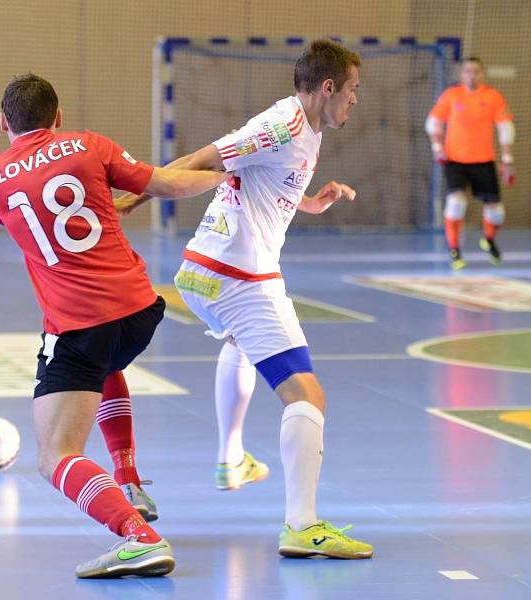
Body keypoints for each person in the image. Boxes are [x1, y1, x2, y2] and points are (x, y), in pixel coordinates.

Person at [116, 40, 374, 560]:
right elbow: (201, 160)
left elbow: (260, 178)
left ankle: (231, 458)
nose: (354, 101)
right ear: (328, 88)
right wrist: (130, 199)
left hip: (210, 272)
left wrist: (308, 201)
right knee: (307, 395)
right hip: (239, 276)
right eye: (352, 91)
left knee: (240, 343)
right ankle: (302, 526)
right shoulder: (280, 127)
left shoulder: (304, 129)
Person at [0, 73, 227, 578]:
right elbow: (167, 184)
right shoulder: (90, 145)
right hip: (138, 312)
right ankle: (127, 476)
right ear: (59, 116)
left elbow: (26, 219)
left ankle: (139, 537)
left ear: (2, 122)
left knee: (54, 456)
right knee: (106, 363)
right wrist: (231, 175)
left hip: (77, 326)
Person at [426, 56, 516, 270]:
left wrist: (507, 160)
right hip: (454, 160)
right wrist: (437, 147)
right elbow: (433, 123)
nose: (471, 75)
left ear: (482, 74)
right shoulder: (451, 95)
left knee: (496, 211)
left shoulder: (493, 97)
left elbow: (506, 128)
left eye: (476, 71)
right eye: (467, 71)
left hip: (483, 161)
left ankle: (489, 240)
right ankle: (455, 250)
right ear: (461, 73)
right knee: (457, 202)